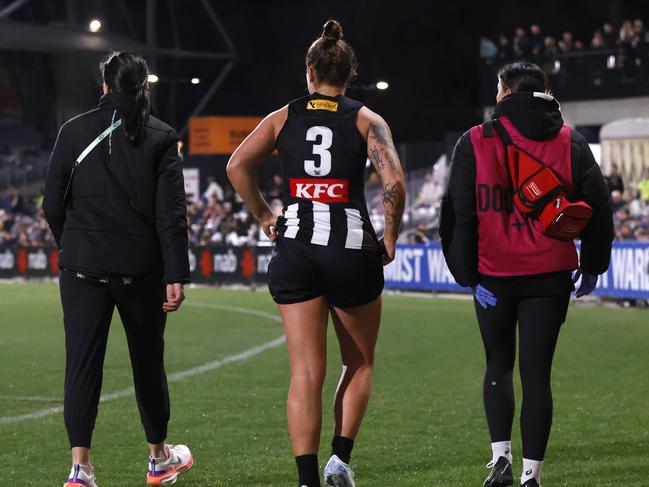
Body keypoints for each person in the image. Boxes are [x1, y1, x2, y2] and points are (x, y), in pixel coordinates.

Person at [226, 19, 405, 487]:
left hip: (297, 249)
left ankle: (306, 480)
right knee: (359, 362)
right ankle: (339, 462)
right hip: (350, 251)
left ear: (310, 70)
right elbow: (394, 184)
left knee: (306, 371)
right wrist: (390, 236)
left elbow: (237, 165)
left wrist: (265, 215)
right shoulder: (368, 119)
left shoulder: (283, 116)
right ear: (350, 74)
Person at [440, 62, 613, 487]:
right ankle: (530, 476)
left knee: (498, 363)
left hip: (494, 277)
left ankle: (500, 460)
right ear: (544, 92)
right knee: (538, 376)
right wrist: (592, 266)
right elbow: (600, 209)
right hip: (550, 275)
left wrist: (468, 276)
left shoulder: (475, 140)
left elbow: (459, 215)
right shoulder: (571, 142)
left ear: (503, 92)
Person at [43, 52, 193, 487]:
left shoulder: (73, 131)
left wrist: (71, 247)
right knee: (148, 364)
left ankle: (80, 468)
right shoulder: (162, 136)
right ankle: (159, 458)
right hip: (140, 271)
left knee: (81, 366)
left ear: (104, 83)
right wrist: (176, 274)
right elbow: (172, 216)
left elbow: (53, 203)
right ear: (143, 86)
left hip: (82, 269)